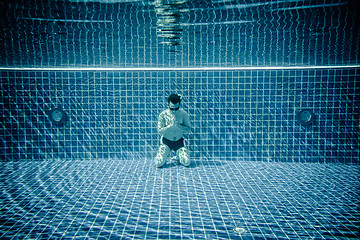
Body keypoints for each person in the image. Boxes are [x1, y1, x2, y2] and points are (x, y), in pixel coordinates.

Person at [155, 93, 192, 167]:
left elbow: (188, 129)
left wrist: (178, 126)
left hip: (179, 142)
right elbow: (160, 131)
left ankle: (178, 155)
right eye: (172, 108)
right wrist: (170, 126)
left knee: (186, 162)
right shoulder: (163, 115)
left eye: (176, 108)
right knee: (158, 164)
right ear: (168, 105)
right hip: (166, 142)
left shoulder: (183, 114)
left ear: (179, 105)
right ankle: (164, 155)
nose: (174, 111)